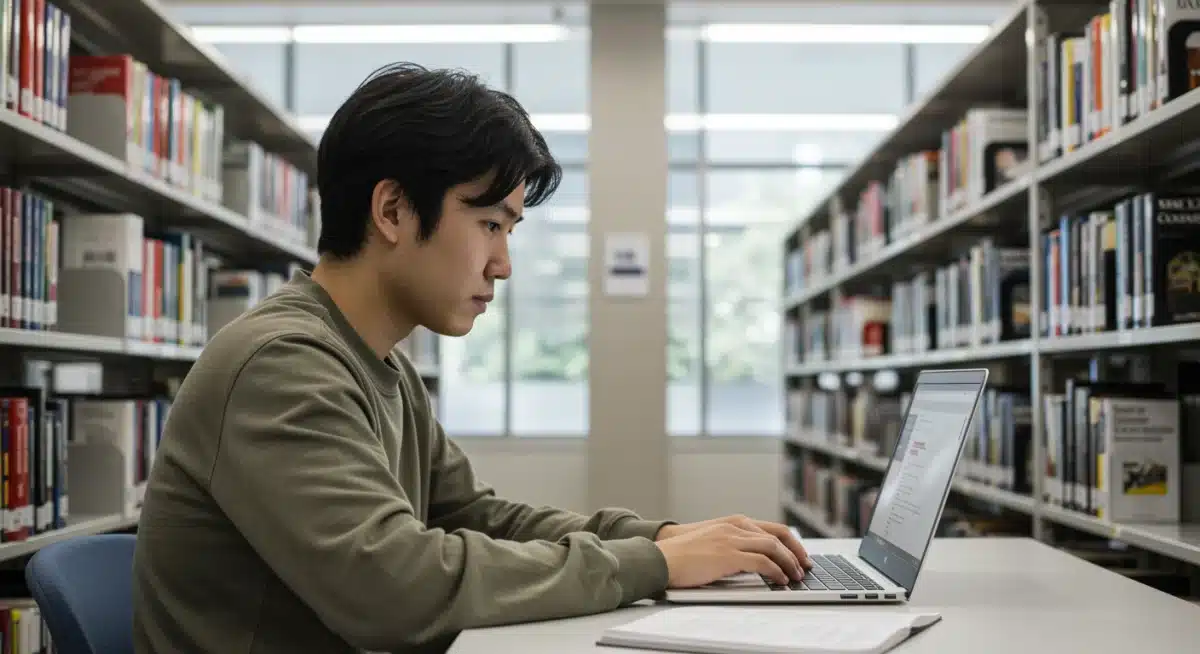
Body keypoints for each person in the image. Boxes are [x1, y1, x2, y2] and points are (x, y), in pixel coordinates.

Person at [131, 62, 812, 654]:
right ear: (393, 210)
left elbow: (477, 518)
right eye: (489, 224)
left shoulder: (380, 365)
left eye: (509, 230)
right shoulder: (281, 364)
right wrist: (653, 563)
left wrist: (662, 537)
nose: (504, 265)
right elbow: (395, 588)